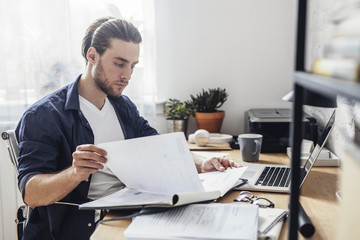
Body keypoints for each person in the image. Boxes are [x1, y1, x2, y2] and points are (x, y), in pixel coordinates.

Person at [15, 17, 239, 240]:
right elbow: (31, 193)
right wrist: (75, 173)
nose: (127, 75)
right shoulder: (44, 115)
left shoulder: (122, 106)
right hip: (82, 227)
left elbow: (157, 146)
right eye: (119, 64)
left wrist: (201, 163)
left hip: (127, 214)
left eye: (132, 66)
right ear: (92, 56)